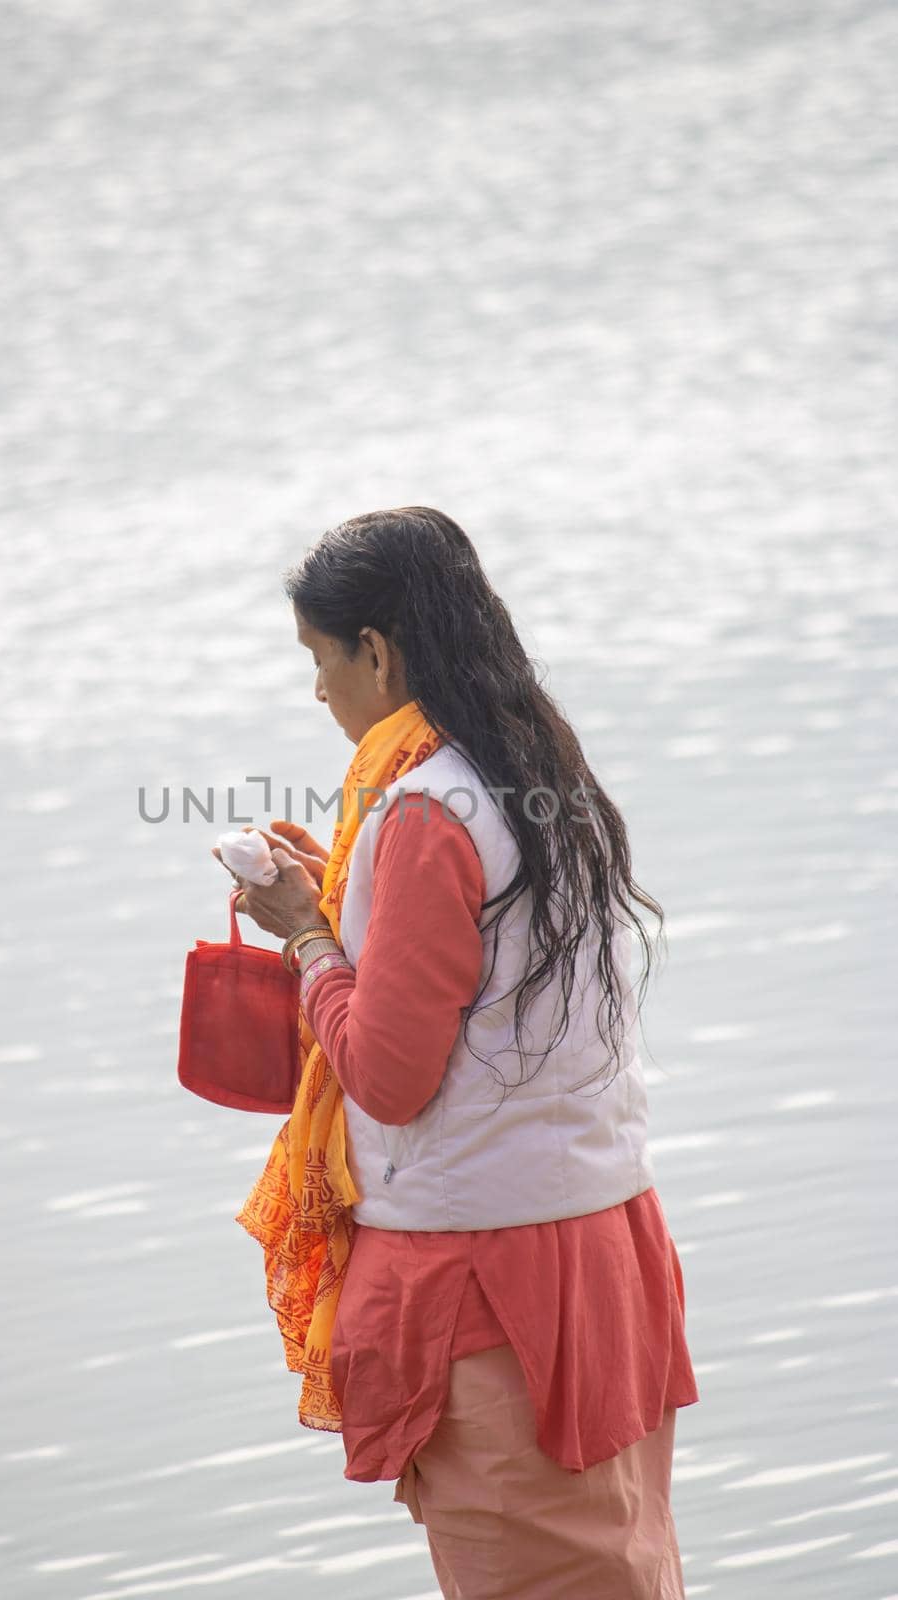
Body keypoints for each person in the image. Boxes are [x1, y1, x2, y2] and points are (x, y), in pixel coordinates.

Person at [215, 506, 699, 1599]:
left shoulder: (420, 809)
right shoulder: (536, 766)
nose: (318, 692)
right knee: (617, 1559)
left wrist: (303, 935)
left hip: (484, 1271)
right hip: (600, 1235)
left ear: (374, 651)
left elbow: (387, 1072)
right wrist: (335, 912)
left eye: (319, 659)